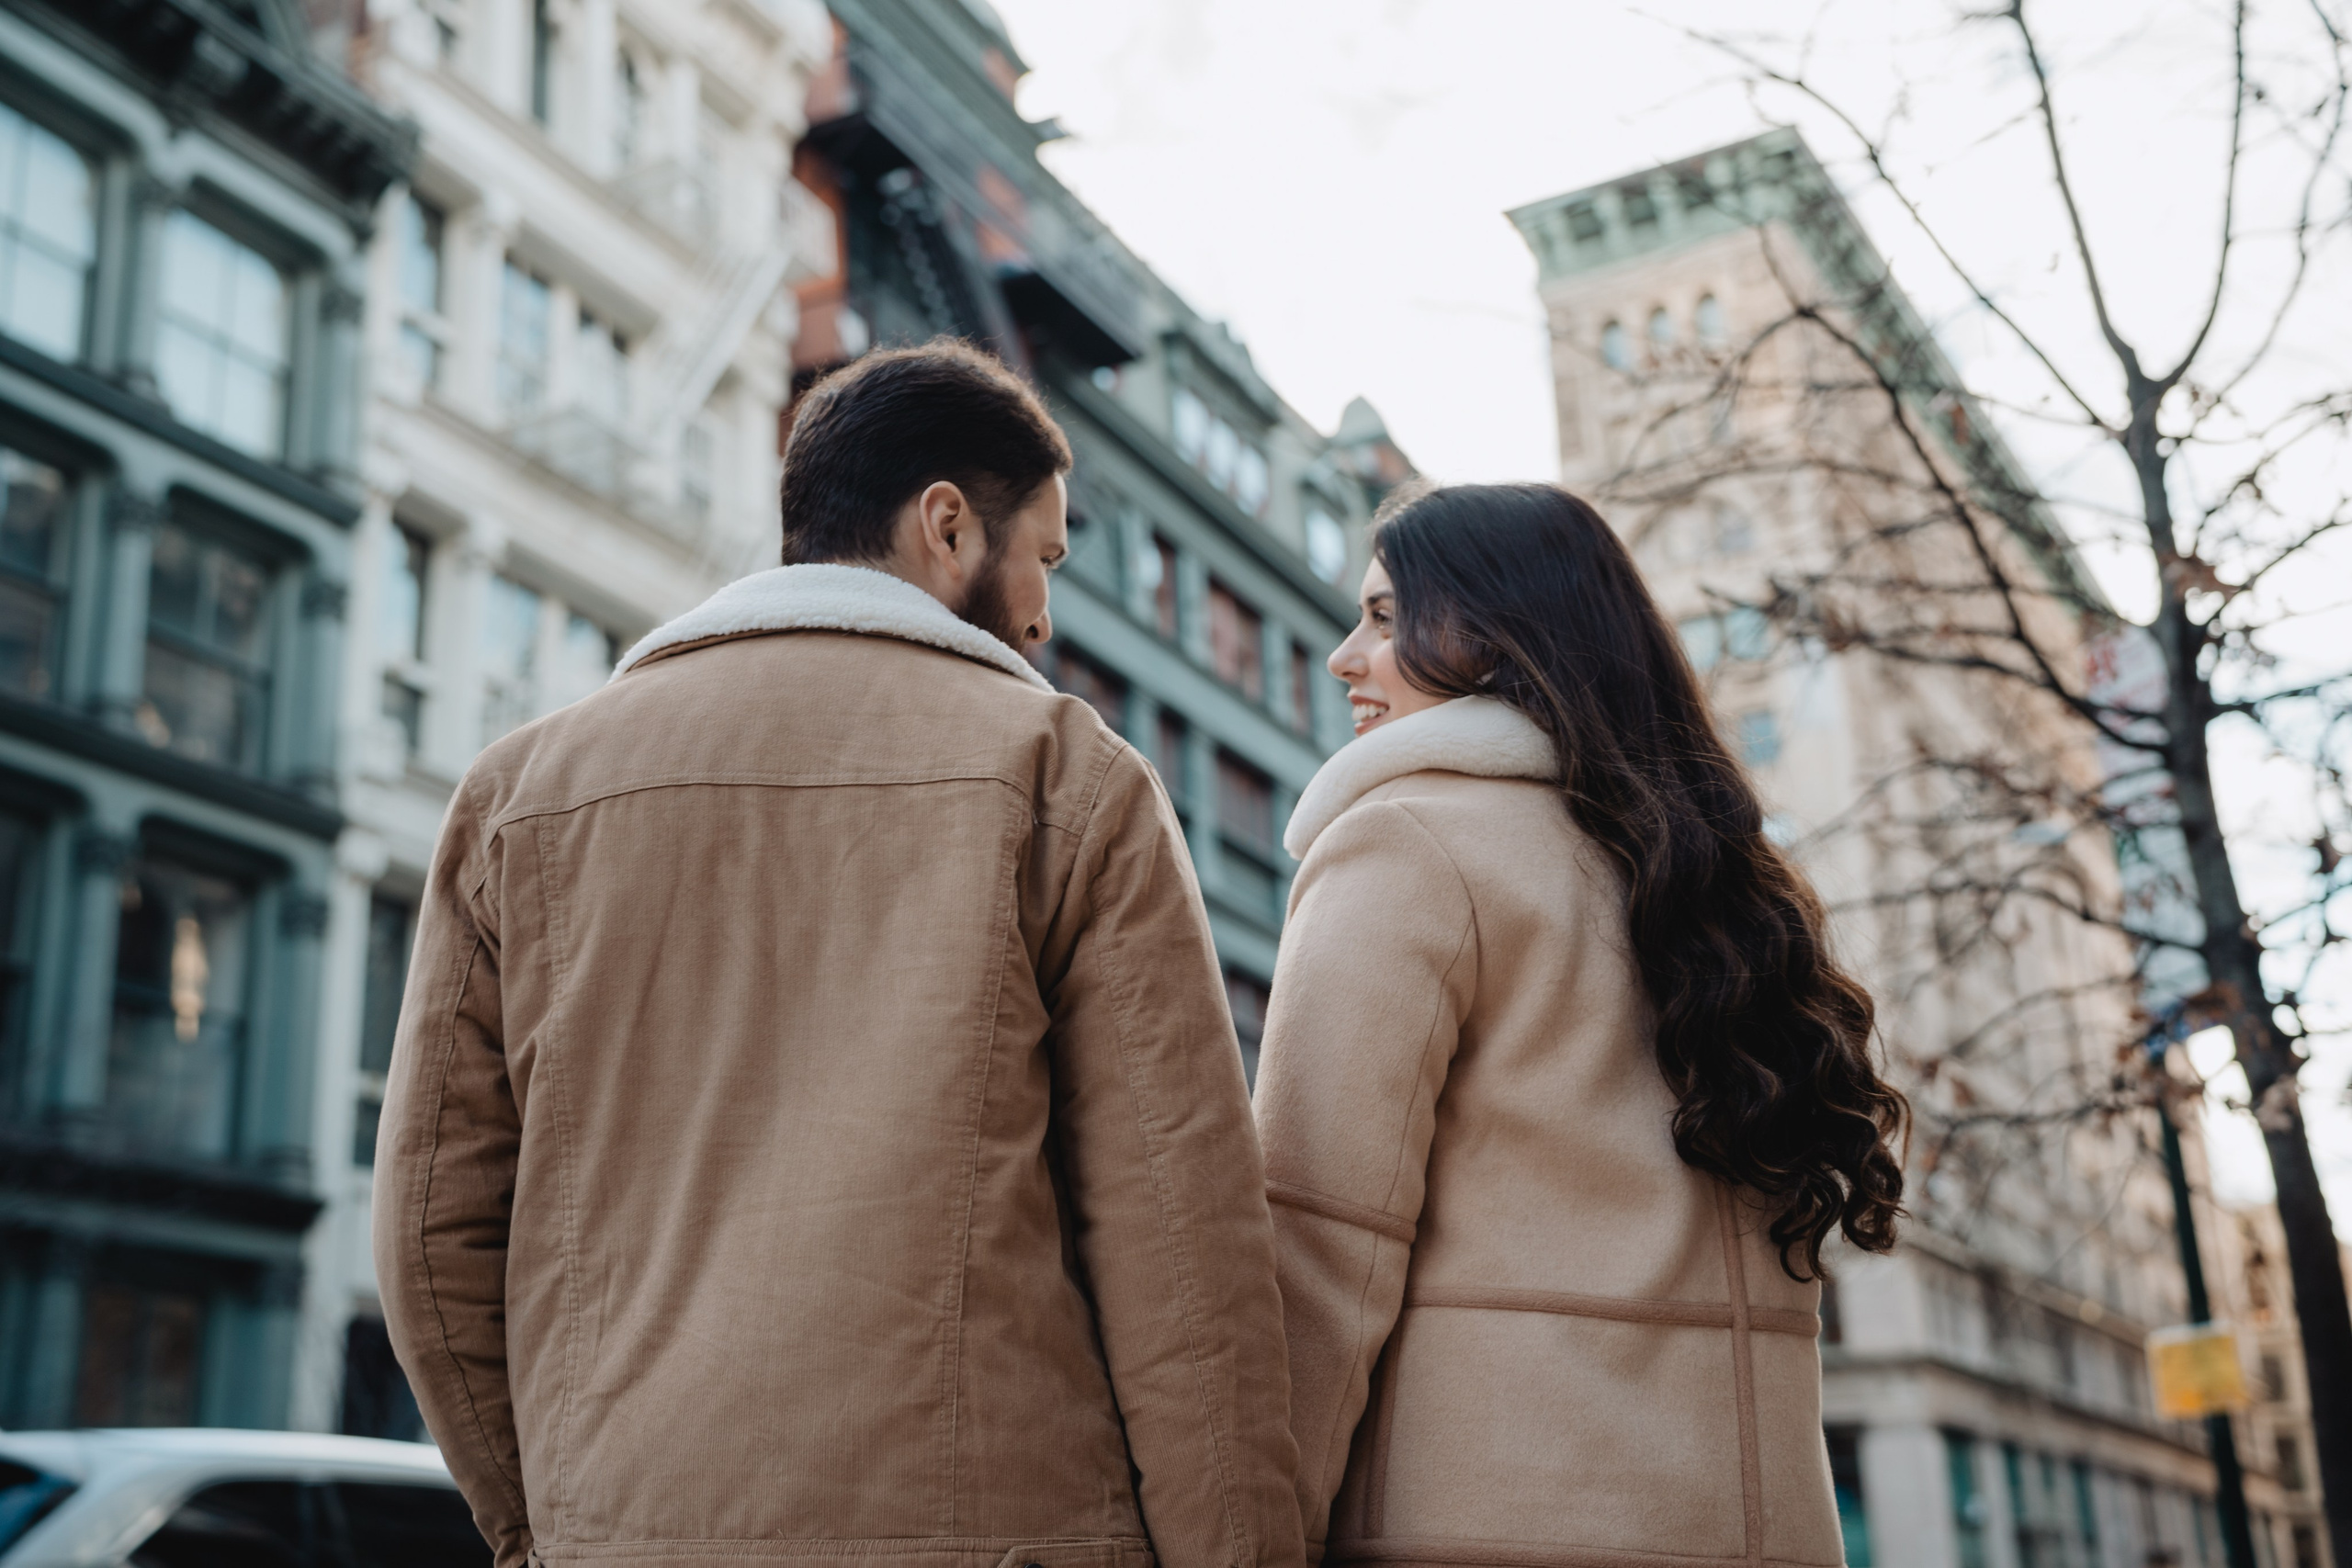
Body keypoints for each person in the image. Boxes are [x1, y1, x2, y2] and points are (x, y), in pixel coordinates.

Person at [374, 341, 1305, 1568]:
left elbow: (428, 1237)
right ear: (947, 525)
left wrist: (543, 1522)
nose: (1040, 612)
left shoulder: (515, 793)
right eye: (1046, 558)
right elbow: (1184, 1264)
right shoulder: (1068, 778)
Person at [1254, 482, 1907, 1565]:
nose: (1344, 656)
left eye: (1381, 616)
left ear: (1491, 631)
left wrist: (1253, 1532)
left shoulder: (1407, 844)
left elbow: (1321, 1246)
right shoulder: (1722, 887)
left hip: (1483, 1521)